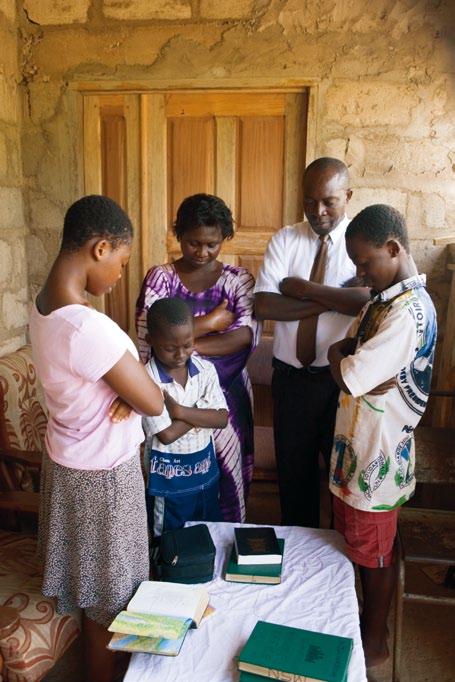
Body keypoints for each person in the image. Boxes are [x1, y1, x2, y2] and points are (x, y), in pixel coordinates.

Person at [29, 195, 164, 682]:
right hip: (104, 480)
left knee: (94, 597)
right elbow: (152, 400)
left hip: (69, 465)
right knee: (113, 602)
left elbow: (109, 383)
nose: (120, 275)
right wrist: (135, 389)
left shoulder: (44, 307)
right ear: (100, 248)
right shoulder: (87, 327)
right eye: (121, 263)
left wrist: (123, 386)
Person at [327, 204, 437, 667]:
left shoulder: (406, 314)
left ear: (393, 249)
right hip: (359, 446)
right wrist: (344, 357)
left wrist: (343, 360)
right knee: (361, 547)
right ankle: (363, 625)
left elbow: (348, 372)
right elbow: (344, 353)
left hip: (377, 455)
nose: (360, 273)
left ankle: (374, 641)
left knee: (374, 555)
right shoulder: (384, 299)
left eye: (365, 262)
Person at [254, 157, 370, 528]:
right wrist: (337, 297)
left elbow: (366, 299)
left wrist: (302, 289)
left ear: (347, 196)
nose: (317, 211)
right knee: (294, 478)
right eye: (309, 201)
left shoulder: (360, 243)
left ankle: (336, 567)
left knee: (341, 479)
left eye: (328, 201)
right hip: (289, 380)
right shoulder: (286, 239)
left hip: (338, 383)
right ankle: (297, 564)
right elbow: (264, 304)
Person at [136, 193, 259, 523]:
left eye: (212, 244)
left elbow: (243, 338)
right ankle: (174, 559)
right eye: (193, 243)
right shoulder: (159, 278)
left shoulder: (238, 280)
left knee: (225, 486)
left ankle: (220, 560)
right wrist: (210, 324)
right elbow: (148, 334)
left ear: (224, 239)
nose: (202, 252)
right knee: (172, 495)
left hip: (226, 399)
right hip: (164, 395)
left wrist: (182, 346)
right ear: (178, 236)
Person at [142, 297, 228, 536]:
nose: (181, 354)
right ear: (151, 341)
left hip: (206, 477)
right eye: (170, 348)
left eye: (188, 345)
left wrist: (180, 411)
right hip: (169, 487)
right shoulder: (146, 380)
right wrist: (203, 413)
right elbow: (166, 435)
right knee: (169, 543)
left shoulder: (205, 370)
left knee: (208, 534)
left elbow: (222, 419)